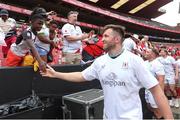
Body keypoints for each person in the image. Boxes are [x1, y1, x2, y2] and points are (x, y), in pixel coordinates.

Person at [41, 24, 173, 119]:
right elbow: (82, 75)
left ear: (116, 39)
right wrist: (56, 74)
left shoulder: (134, 60)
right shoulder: (100, 61)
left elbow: (156, 90)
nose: (101, 39)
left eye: (106, 36)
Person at [144, 48, 165, 119]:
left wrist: (159, 94)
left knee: (157, 110)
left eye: (147, 52)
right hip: (147, 89)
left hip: (154, 91)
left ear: (152, 54)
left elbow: (161, 80)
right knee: (150, 107)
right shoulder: (145, 63)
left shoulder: (158, 64)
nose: (145, 53)